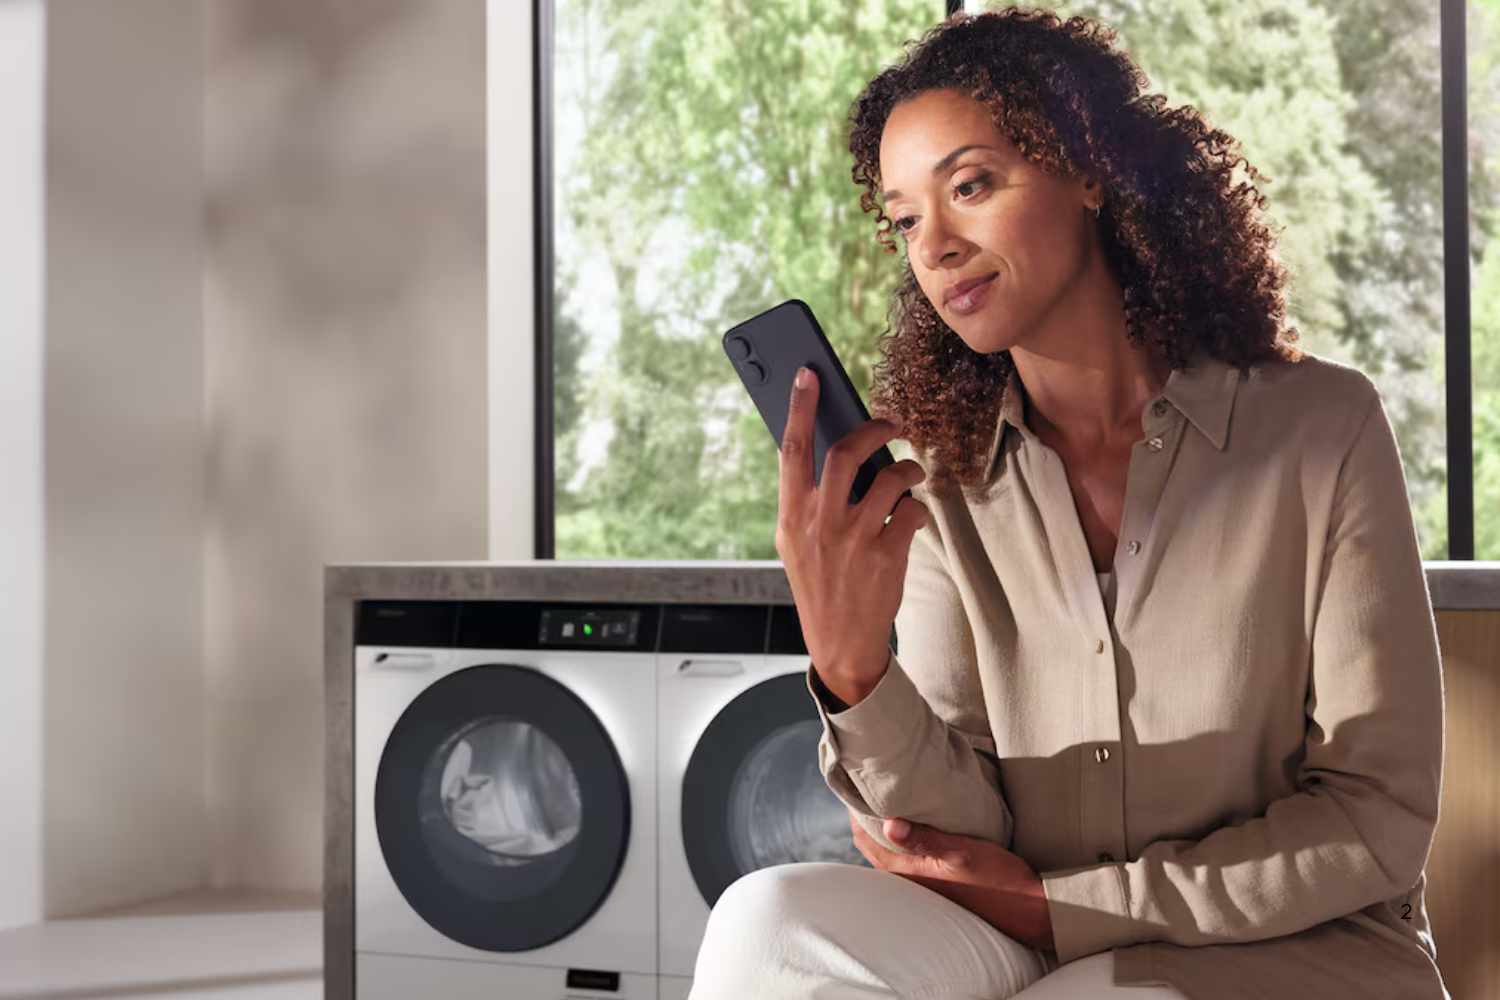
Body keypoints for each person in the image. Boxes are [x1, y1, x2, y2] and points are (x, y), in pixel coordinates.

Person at [687, 6, 1451, 1000]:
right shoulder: (945, 478)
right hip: (1035, 934)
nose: (937, 246)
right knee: (767, 926)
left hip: (1299, 954)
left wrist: (1075, 908)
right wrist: (853, 669)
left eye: (970, 186)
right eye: (908, 218)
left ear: (1088, 169)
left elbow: (1375, 817)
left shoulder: (1323, 428)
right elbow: (961, 839)